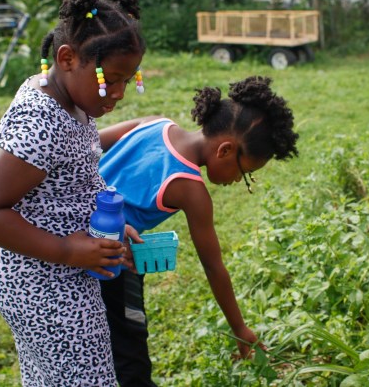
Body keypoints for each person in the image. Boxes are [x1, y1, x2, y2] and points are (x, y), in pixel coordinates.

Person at [0, 0, 146, 386]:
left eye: (127, 81)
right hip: (41, 284)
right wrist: (66, 249)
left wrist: (107, 224)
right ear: (66, 58)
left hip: (58, 272)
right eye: (109, 80)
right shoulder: (41, 121)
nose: (117, 94)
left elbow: (74, 172)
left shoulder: (72, 97)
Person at [98, 76, 299, 386]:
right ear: (225, 150)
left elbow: (88, 143)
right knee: (130, 352)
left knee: (104, 338)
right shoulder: (191, 189)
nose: (238, 183)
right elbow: (213, 265)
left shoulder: (156, 123)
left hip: (75, 232)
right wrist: (240, 329)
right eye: (245, 174)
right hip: (108, 262)